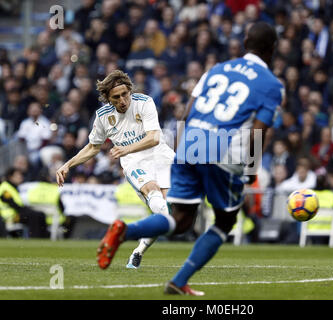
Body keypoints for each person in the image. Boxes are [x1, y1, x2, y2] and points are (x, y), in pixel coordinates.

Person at [96, 22, 283, 296]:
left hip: (190, 144)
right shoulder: (272, 85)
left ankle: (124, 232)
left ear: (245, 42)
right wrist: (251, 169)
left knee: (181, 219)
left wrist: (183, 152)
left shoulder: (216, 70)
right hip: (224, 151)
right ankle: (179, 279)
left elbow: (187, 112)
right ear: (273, 49)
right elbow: (258, 130)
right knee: (224, 222)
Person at [56, 70, 175, 269]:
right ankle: (123, 238)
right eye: (116, 97)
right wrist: (68, 164)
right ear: (107, 99)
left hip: (161, 157)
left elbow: (154, 137)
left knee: (170, 215)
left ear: (130, 90)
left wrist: (125, 148)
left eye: (125, 94)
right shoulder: (103, 116)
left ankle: (137, 251)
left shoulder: (144, 102)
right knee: (159, 205)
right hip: (134, 163)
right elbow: (93, 147)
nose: (123, 100)